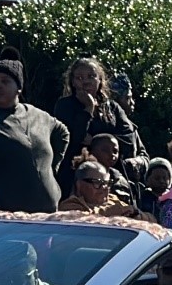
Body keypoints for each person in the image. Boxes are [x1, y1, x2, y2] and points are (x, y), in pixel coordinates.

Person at [0, 48, 70, 213]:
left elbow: (62, 132)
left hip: (48, 213)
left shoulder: (39, 116)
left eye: (5, 81)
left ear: (19, 88)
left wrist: (51, 168)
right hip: (7, 215)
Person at [51, 57, 147, 194]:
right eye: (79, 77)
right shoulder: (64, 106)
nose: (85, 81)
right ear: (72, 82)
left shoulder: (112, 108)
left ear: (100, 79)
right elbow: (71, 139)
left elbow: (129, 139)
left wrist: (97, 143)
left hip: (112, 176)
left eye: (91, 76)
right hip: (75, 176)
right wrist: (88, 109)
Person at [58, 156, 154, 221]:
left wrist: (138, 215)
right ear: (79, 185)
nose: (104, 188)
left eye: (107, 183)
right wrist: (110, 212)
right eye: (97, 182)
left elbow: (152, 219)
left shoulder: (113, 200)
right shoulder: (70, 205)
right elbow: (83, 221)